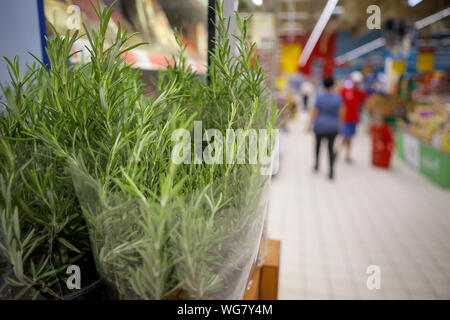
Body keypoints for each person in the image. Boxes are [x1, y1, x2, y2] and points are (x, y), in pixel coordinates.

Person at [308, 77, 343, 180]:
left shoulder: (320, 97)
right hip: (333, 126)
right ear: (333, 85)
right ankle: (331, 171)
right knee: (330, 148)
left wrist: (309, 124)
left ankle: (316, 165)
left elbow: (315, 111)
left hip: (320, 125)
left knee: (318, 146)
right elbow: (342, 112)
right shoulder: (337, 98)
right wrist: (340, 125)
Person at [340, 71, 366, 163]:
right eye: (355, 82)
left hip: (354, 118)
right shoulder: (345, 91)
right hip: (345, 118)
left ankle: (345, 154)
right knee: (345, 136)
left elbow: (365, 102)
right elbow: (340, 104)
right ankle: (339, 152)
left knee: (349, 137)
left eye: (358, 83)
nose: (356, 84)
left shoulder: (360, 93)